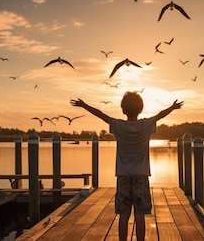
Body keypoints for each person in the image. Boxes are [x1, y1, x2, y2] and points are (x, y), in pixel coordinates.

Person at [70, 92, 183, 241]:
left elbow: (101, 115)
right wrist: (172, 107)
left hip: (123, 175)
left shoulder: (118, 126)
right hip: (141, 175)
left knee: (123, 214)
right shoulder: (145, 125)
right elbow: (160, 115)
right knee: (140, 214)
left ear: (123, 110)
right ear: (141, 109)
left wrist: (84, 105)